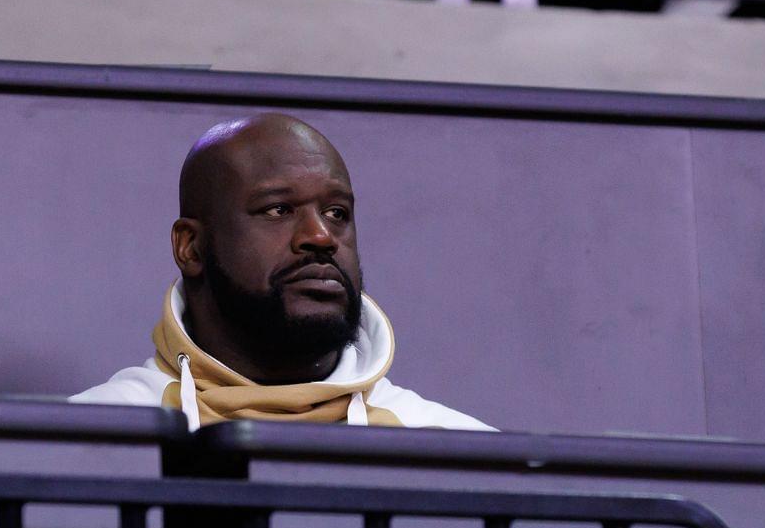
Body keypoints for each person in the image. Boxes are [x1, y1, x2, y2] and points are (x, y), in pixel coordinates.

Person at [71, 113, 494, 432]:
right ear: (191, 247)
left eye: (336, 213)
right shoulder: (92, 439)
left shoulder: (455, 450)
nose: (321, 236)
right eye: (278, 209)